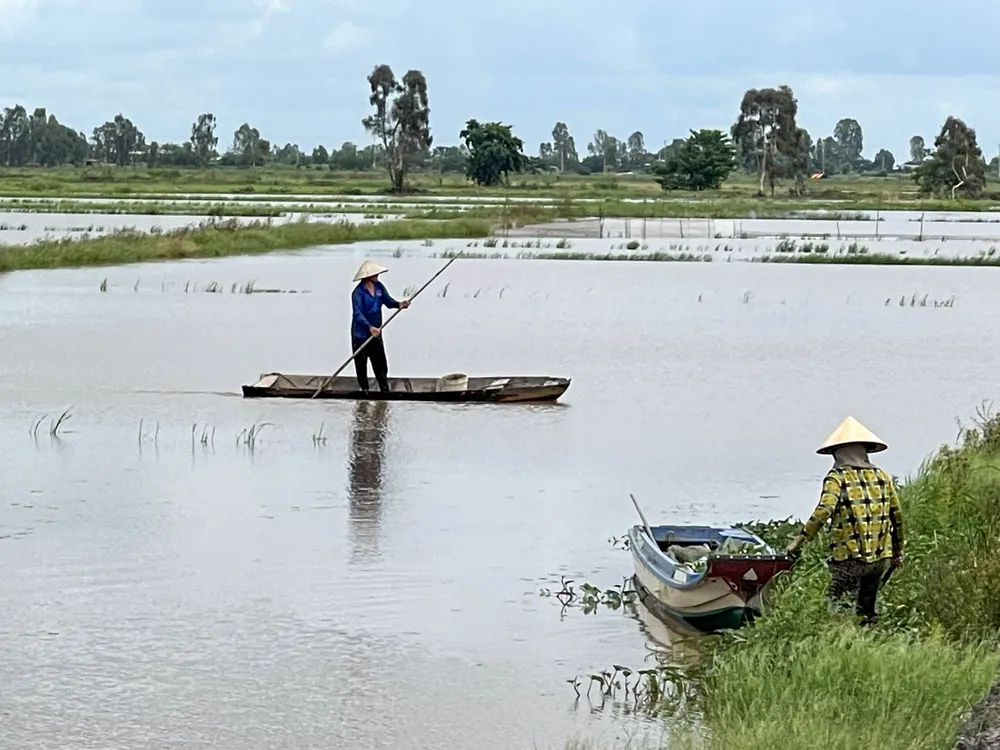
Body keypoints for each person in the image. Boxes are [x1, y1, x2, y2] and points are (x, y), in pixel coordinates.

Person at [785, 416, 904, 625]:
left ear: (839, 452)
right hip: (880, 556)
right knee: (867, 606)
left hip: (849, 555)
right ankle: (869, 637)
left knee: (838, 601)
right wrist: (897, 551)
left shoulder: (837, 477)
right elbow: (897, 516)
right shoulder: (882, 476)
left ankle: (842, 639)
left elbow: (824, 510)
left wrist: (801, 539)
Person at [350, 260, 409, 392]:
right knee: (361, 365)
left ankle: (384, 391)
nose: (377, 276)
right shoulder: (358, 293)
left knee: (381, 365)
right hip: (361, 335)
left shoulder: (379, 288)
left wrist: (399, 304)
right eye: (374, 274)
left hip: (376, 334)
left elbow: (388, 302)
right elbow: (357, 314)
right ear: (367, 276)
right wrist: (370, 327)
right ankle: (364, 392)